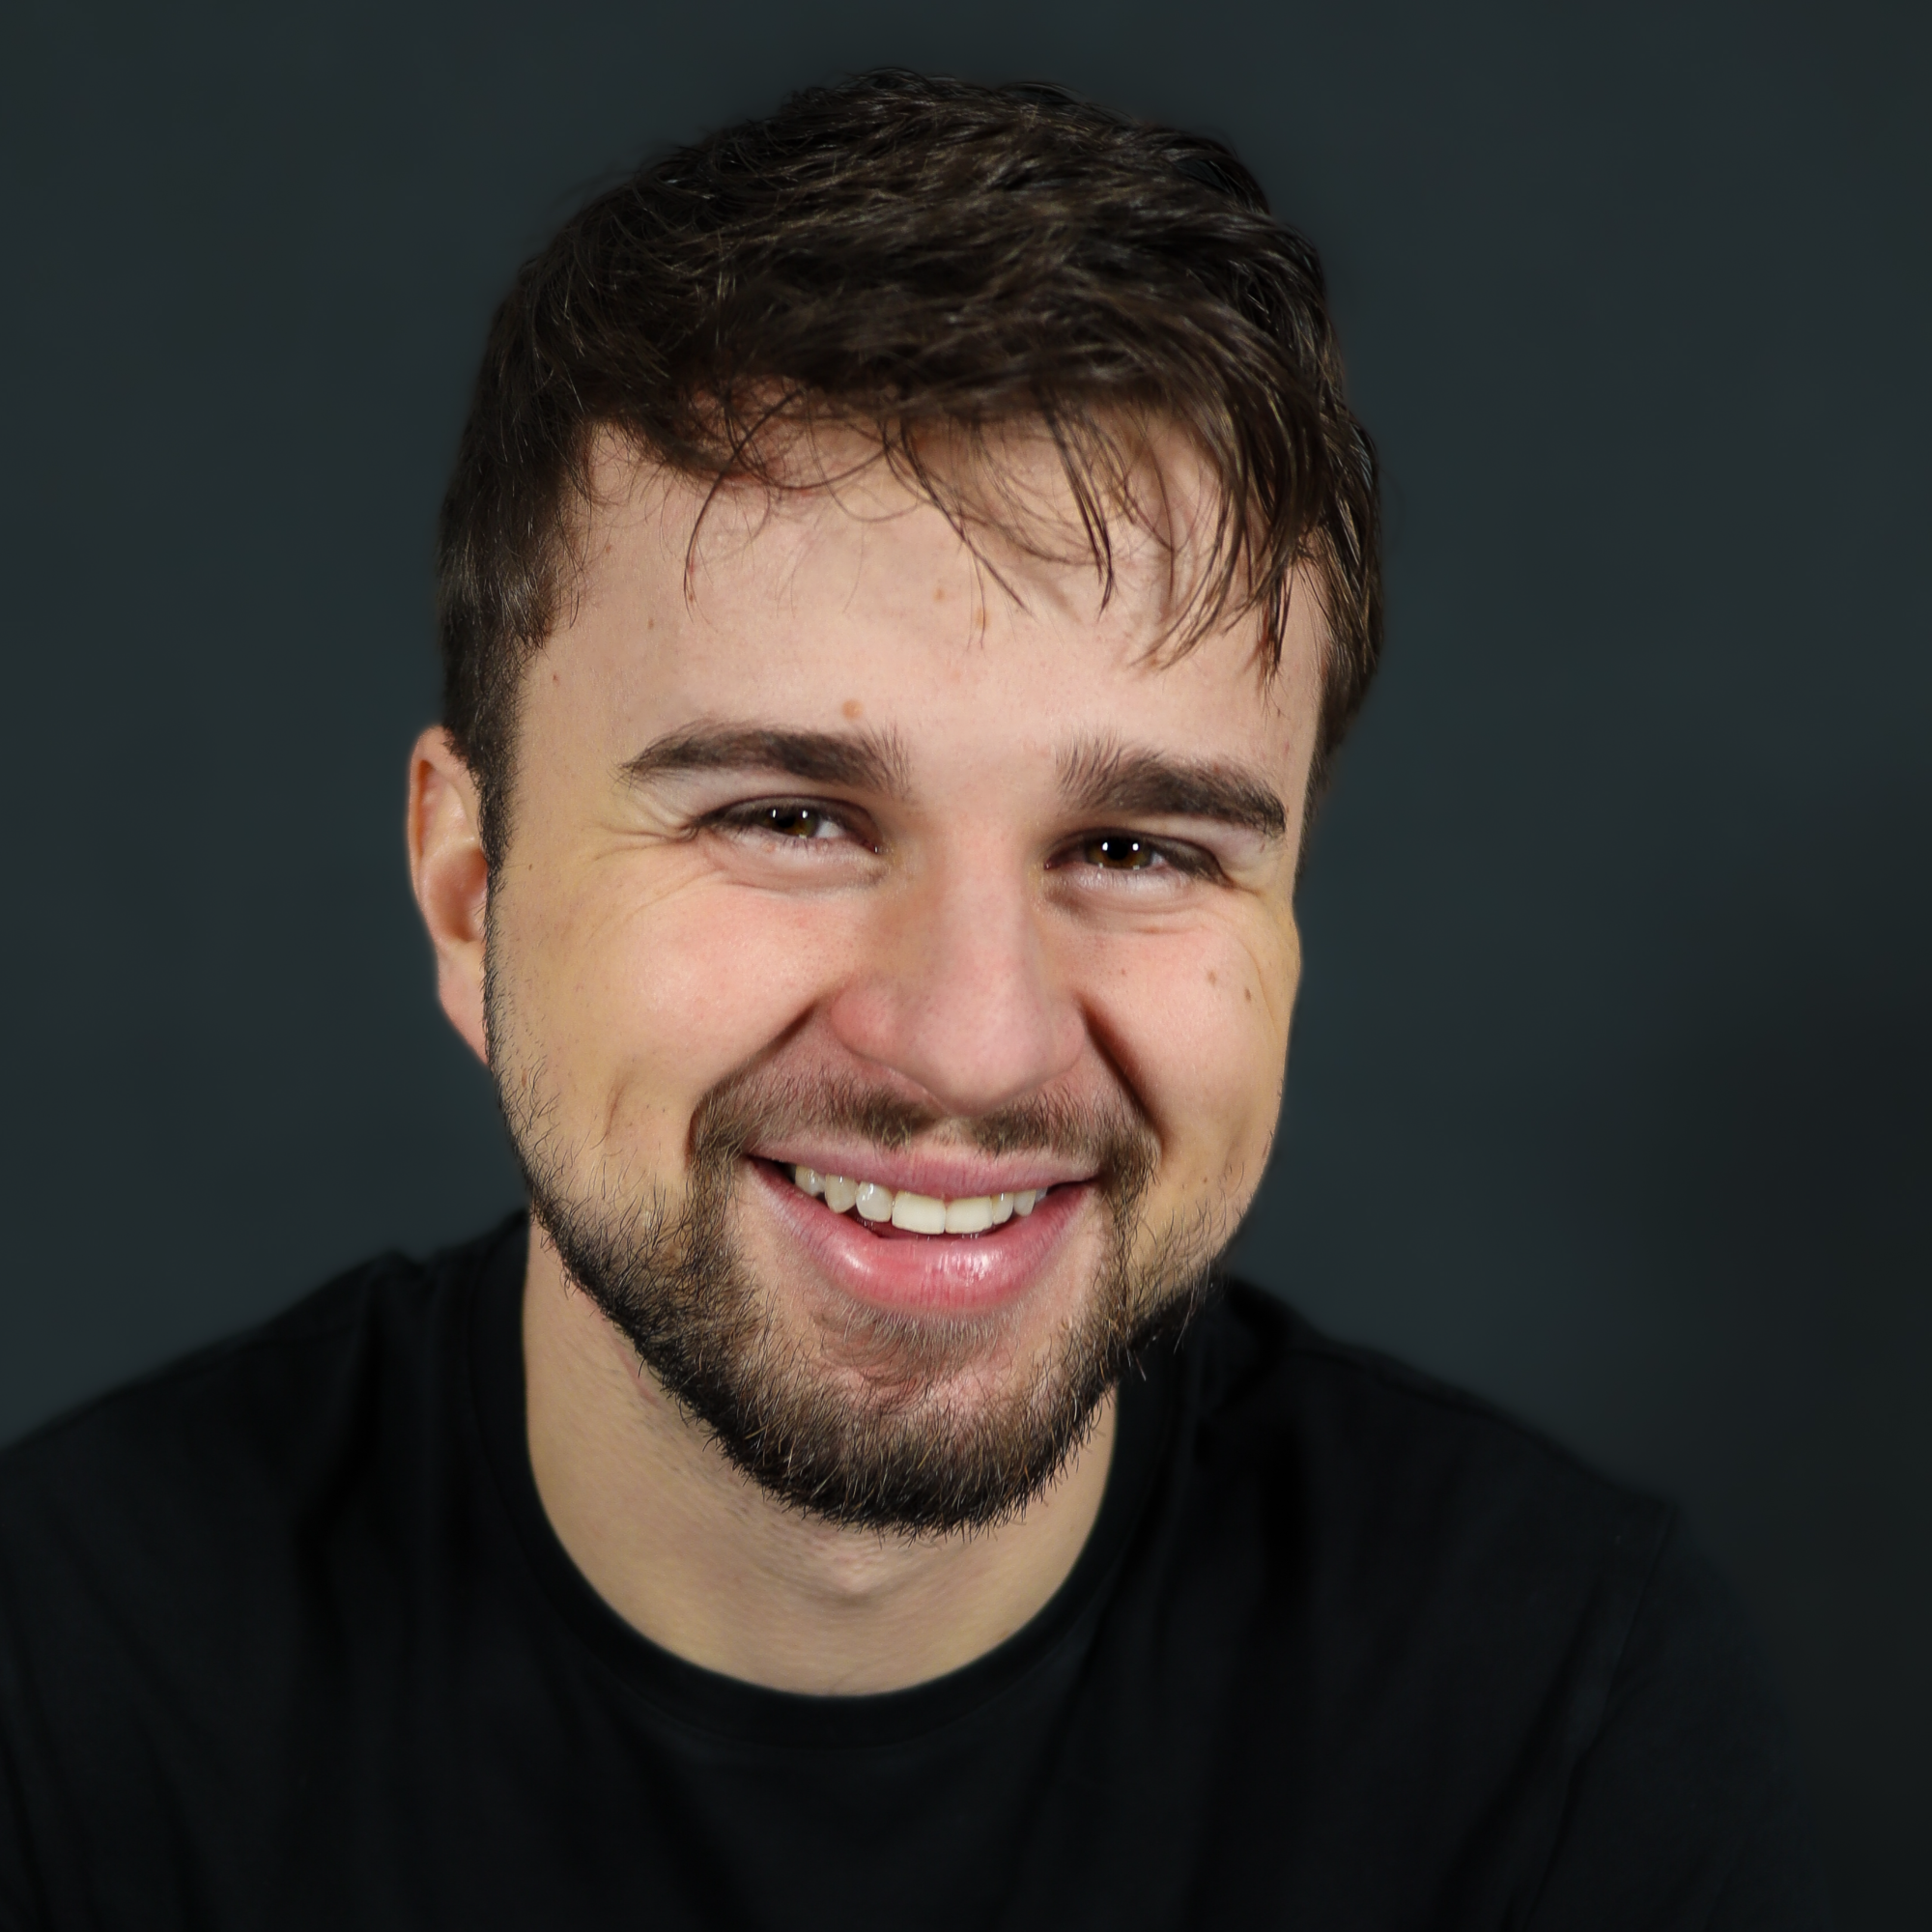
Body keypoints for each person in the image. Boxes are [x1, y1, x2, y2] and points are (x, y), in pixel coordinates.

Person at [0, 71, 1827, 1931]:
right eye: (787, 818)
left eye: (1134, 847)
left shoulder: (1559, 1738)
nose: (973, 1041)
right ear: (472, 892)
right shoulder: (64, 1702)